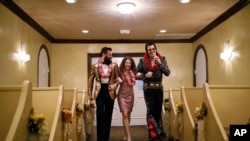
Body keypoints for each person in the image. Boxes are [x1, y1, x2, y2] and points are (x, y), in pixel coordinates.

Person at [136, 41, 171, 141]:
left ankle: (157, 132)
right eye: (149, 49)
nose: (152, 51)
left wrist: (160, 64)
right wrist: (145, 75)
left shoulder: (162, 59)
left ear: (156, 49)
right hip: (148, 88)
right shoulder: (142, 61)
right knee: (150, 111)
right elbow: (136, 74)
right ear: (147, 51)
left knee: (158, 111)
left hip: (159, 88)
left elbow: (167, 72)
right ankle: (154, 133)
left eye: (153, 49)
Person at [87, 47, 120, 141]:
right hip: (99, 92)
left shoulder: (114, 65)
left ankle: (106, 138)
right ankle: (99, 138)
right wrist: (89, 94)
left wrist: (115, 86)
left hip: (110, 91)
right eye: (110, 55)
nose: (111, 56)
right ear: (103, 54)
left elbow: (118, 79)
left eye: (111, 55)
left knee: (108, 115)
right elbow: (90, 81)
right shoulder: (95, 66)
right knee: (100, 114)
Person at [117, 56, 137, 141]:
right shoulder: (120, 71)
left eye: (129, 63)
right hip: (122, 95)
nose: (128, 64)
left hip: (130, 95)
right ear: (124, 63)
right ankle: (129, 136)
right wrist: (115, 84)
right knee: (124, 114)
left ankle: (125, 133)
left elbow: (137, 80)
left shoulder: (133, 72)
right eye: (126, 62)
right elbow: (116, 82)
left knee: (128, 115)